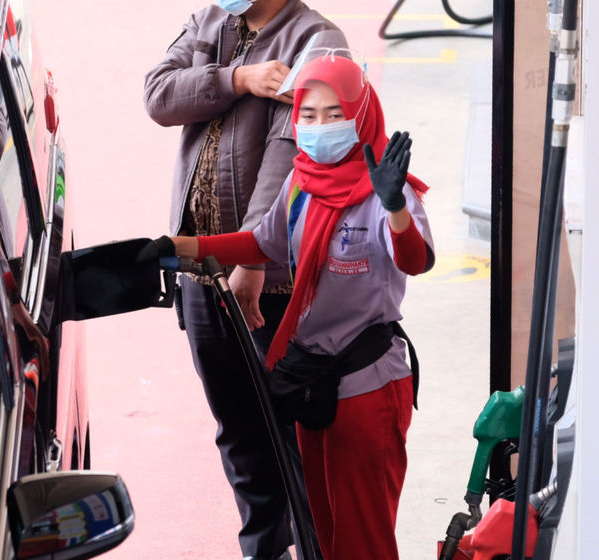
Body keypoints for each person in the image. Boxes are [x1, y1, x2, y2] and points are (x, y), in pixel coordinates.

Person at [165, 53, 435, 560]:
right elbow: (260, 244)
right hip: (314, 384)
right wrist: (186, 249)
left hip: (367, 384)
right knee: (324, 535)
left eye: (334, 114)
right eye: (307, 115)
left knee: (364, 541)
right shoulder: (302, 183)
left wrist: (396, 207)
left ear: (361, 114)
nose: (318, 127)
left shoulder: (386, 194)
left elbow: (415, 260)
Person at [143, 2, 342, 559]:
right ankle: (265, 549)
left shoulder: (316, 39)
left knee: (292, 437)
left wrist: (254, 259)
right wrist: (238, 78)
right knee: (237, 429)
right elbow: (159, 95)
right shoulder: (211, 22)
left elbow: (291, 154)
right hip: (202, 275)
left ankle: (317, 549)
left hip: (269, 283)